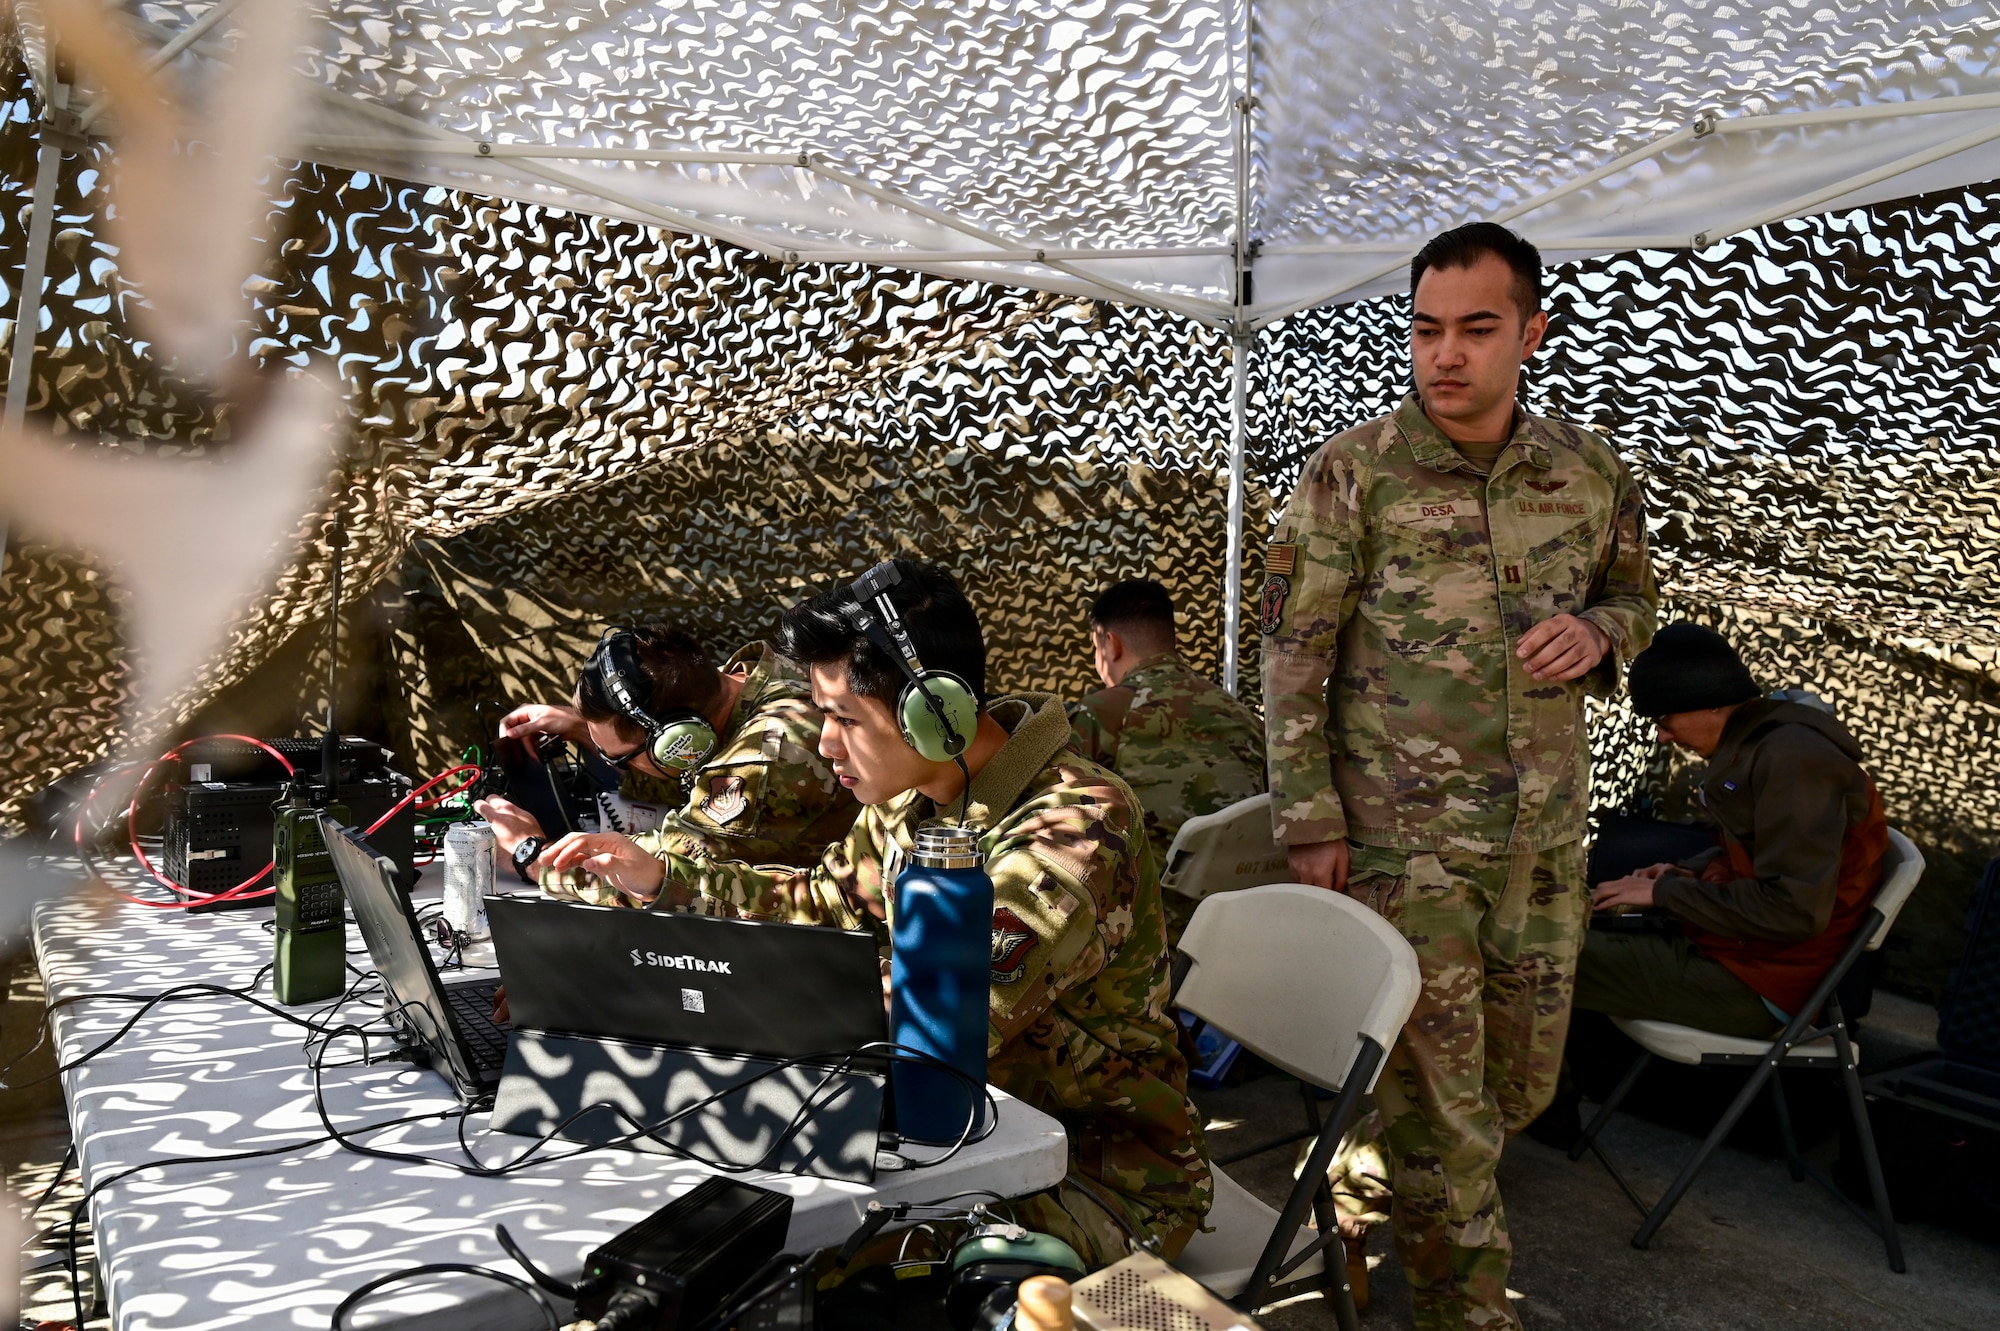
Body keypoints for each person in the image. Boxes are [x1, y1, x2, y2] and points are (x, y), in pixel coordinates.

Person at [530, 560, 1212, 1265]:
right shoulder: (905, 798)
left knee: (780, 1266)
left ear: (933, 711)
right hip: (942, 1144)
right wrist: (662, 880)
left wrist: (693, 998)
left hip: (1094, 1176)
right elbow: (823, 904)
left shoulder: (1073, 829)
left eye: (842, 717)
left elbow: (931, 1027)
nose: (825, 744)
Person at [1261, 222, 1658, 1328]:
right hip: (1405, 846)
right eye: (1426, 329)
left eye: (1475, 329)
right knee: (1452, 1120)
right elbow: (1295, 652)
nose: (1445, 353)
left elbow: (1635, 596)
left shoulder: (1586, 473)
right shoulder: (1354, 471)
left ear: (1529, 332)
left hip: (1539, 844)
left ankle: (1353, 1186)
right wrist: (1307, 820)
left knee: (1515, 1089)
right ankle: (1463, 1311)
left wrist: (1597, 631)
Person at [1581, 624, 1888, 1036]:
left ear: (1711, 703)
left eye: (1666, 718)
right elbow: (1759, 858)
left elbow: (1791, 910)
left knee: (1526, 959)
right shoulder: (1762, 749)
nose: (1663, 736)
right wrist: (1688, 874)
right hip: (1734, 952)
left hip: (1756, 982)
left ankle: (1527, 1101)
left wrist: (1665, 894)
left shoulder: (1794, 762)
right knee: (1548, 940)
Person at [475, 624, 858, 904]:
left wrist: (534, 858)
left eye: (619, 757)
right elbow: (691, 770)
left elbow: (663, 872)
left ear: (678, 742)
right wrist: (580, 728)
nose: (610, 761)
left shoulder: (771, 753)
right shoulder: (756, 680)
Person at [1068, 579, 1265, 936]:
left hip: (1148, 936)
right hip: (1241, 923)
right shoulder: (1245, 717)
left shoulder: (1104, 712)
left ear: (1110, 644)